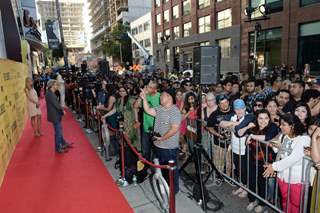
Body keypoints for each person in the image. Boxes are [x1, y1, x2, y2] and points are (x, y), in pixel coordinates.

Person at [263, 114, 310, 213]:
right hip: (283, 176)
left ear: (292, 126)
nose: (280, 127)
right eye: (280, 124)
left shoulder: (304, 139)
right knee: (285, 201)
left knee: (296, 205)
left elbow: (293, 158)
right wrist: (273, 145)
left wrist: (273, 167)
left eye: (283, 124)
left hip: (297, 180)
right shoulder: (285, 136)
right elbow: (279, 151)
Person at [139, 87, 182, 193]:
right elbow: (148, 110)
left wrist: (162, 138)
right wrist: (144, 99)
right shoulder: (159, 108)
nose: (160, 97)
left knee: (171, 172)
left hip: (169, 148)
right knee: (162, 170)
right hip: (158, 145)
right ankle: (164, 189)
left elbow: (174, 129)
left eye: (162, 95)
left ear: (169, 97)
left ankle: (172, 192)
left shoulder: (174, 111)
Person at [237, 109, 280, 212]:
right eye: (260, 118)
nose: (263, 121)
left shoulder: (273, 127)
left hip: (266, 162)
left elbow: (268, 137)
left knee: (262, 184)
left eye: (266, 118)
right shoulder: (253, 128)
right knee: (251, 181)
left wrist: (252, 136)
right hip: (251, 160)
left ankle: (262, 203)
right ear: (257, 119)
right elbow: (239, 132)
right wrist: (248, 128)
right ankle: (252, 200)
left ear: (269, 119)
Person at [134, 80, 160, 161]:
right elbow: (135, 106)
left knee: (157, 152)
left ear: (155, 89)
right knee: (145, 151)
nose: (146, 88)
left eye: (149, 87)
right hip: (146, 127)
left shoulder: (160, 97)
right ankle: (146, 169)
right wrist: (141, 96)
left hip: (157, 129)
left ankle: (157, 171)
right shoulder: (145, 95)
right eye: (147, 86)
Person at [45, 80, 73, 153]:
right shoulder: (50, 94)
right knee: (58, 132)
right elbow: (57, 105)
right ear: (52, 86)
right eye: (56, 85)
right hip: (55, 116)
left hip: (55, 115)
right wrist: (62, 111)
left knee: (59, 131)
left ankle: (63, 143)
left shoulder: (50, 93)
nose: (57, 86)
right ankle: (58, 148)